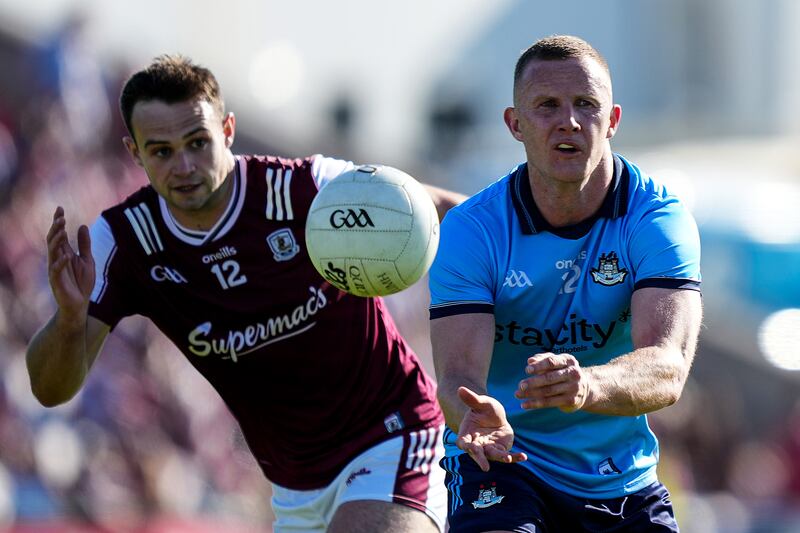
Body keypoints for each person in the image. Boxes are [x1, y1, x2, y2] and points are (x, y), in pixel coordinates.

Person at [26, 55, 465, 533]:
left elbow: (439, 207)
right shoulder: (126, 241)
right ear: (135, 153)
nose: (185, 166)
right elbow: (51, 390)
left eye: (198, 143)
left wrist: (539, 259)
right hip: (295, 488)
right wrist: (69, 321)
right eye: (162, 151)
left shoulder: (306, 189)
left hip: (392, 437)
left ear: (228, 130)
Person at [428, 35, 702, 532]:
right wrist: (471, 412)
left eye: (586, 105)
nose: (569, 121)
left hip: (618, 480)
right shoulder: (473, 229)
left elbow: (668, 367)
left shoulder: (656, 218)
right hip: (502, 457)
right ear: (515, 124)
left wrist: (586, 385)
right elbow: (457, 377)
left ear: (613, 120)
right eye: (547, 106)